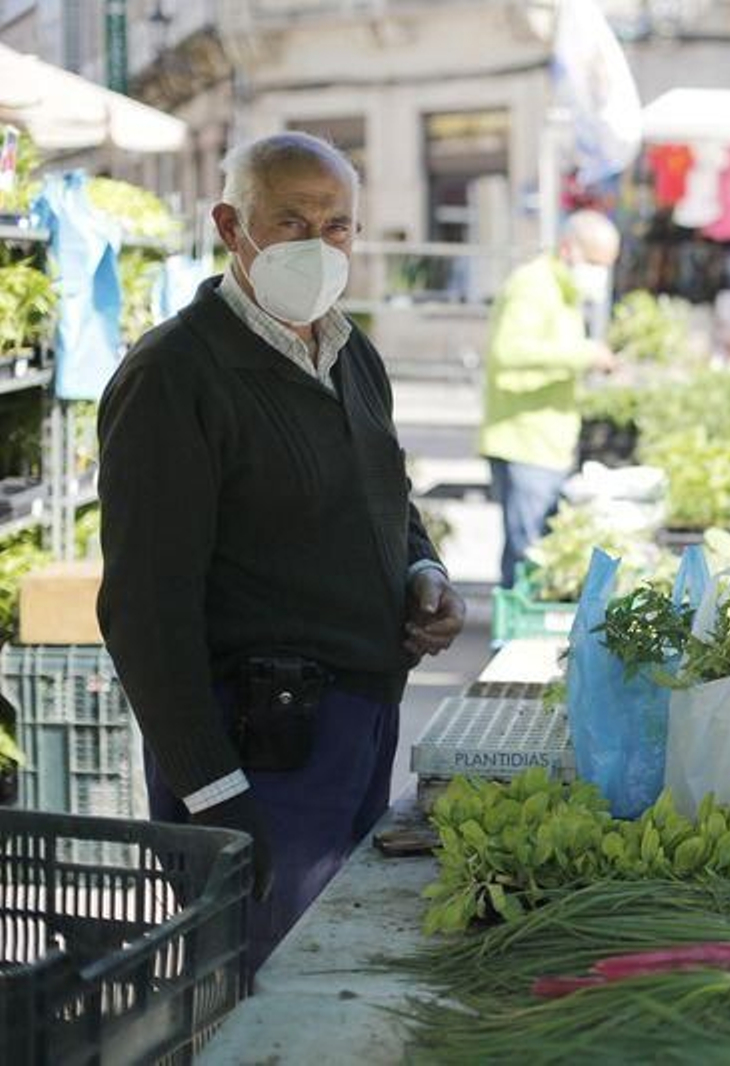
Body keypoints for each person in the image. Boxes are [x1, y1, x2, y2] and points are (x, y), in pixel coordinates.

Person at [97, 132, 467, 978]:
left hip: (358, 722)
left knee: (332, 976)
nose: (318, 244)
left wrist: (424, 574)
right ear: (232, 226)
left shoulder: (351, 352)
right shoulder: (176, 376)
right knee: (267, 991)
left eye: (338, 226)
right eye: (292, 221)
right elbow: (143, 610)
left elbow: (387, 496)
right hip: (256, 748)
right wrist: (213, 790)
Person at [480, 210, 620, 589]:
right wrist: (585, 353)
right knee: (526, 559)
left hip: (547, 442)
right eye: (594, 263)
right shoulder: (533, 285)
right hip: (524, 441)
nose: (599, 274)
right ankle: (507, 644)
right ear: (568, 249)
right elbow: (509, 351)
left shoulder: (565, 291)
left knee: (536, 553)